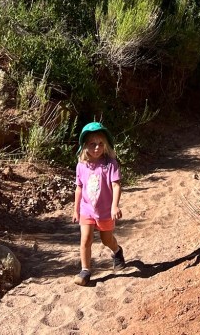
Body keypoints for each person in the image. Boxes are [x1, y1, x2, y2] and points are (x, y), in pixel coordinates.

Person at [73, 121, 125, 286]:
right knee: (86, 239)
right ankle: (85, 270)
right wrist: (76, 210)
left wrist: (114, 206)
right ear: (84, 146)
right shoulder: (81, 166)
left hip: (105, 211)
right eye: (92, 144)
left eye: (100, 144)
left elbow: (116, 185)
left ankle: (117, 251)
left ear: (106, 145)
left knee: (106, 239)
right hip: (86, 209)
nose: (97, 148)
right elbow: (79, 188)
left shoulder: (110, 164)